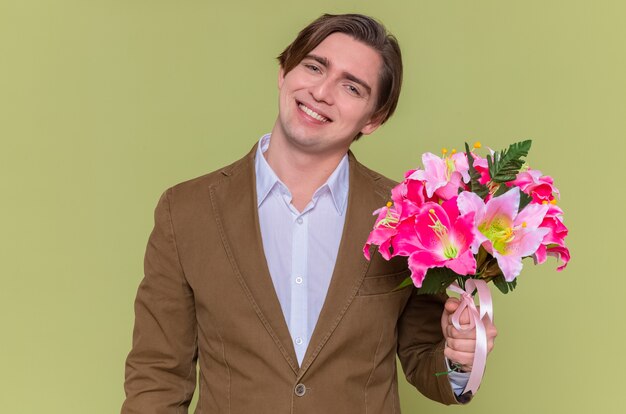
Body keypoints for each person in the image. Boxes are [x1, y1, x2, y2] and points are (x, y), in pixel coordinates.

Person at [122, 13, 497, 413]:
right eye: (315, 67)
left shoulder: (410, 215)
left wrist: (459, 360)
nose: (321, 92)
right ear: (284, 71)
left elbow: (424, 358)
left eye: (352, 87)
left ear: (373, 118)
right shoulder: (186, 211)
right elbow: (157, 376)